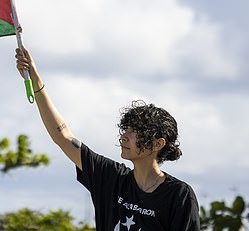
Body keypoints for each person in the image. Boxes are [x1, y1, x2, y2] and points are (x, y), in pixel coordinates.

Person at [15, 47, 200, 230]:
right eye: (125, 129)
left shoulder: (179, 195)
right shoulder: (111, 179)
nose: (124, 137)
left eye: (135, 131)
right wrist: (35, 80)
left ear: (158, 144)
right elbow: (63, 136)